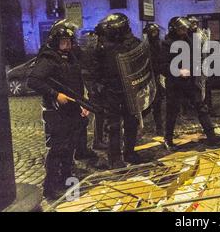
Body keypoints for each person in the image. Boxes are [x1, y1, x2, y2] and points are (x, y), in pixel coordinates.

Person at [27, 22, 89, 199]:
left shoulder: (70, 58)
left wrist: (83, 103)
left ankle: (66, 177)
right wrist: (55, 94)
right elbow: (33, 81)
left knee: (70, 146)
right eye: (63, 42)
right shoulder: (48, 59)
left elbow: (77, 83)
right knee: (57, 149)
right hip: (55, 112)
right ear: (55, 42)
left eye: (69, 42)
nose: (67, 45)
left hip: (72, 110)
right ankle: (50, 187)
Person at [160, 16, 220, 151]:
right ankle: (168, 138)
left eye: (185, 28)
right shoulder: (167, 44)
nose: (184, 31)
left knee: (201, 106)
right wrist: (178, 71)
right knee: (172, 111)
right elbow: (162, 66)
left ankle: (211, 135)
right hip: (175, 83)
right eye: (181, 29)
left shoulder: (188, 40)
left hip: (190, 81)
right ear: (174, 29)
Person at [93, 13, 142, 168]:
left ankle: (129, 152)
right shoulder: (102, 46)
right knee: (113, 126)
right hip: (111, 89)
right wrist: (98, 86)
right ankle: (114, 158)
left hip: (129, 88)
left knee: (131, 122)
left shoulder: (133, 43)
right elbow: (94, 68)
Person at [142, 22, 164, 135]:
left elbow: (161, 59)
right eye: (153, 32)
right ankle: (136, 122)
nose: (155, 34)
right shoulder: (144, 46)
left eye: (156, 32)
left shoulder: (158, 44)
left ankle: (159, 126)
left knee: (157, 103)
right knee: (147, 104)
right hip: (147, 78)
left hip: (156, 76)